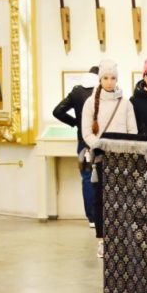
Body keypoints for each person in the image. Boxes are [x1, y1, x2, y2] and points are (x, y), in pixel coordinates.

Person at [81, 59, 137, 258]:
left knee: (122, 200)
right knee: (101, 200)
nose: (109, 82)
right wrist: (102, 145)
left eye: (113, 78)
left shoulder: (126, 103)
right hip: (102, 159)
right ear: (100, 78)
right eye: (106, 77)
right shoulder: (90, 103)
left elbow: (132, 131)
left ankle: (120, 238)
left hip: (122, 159)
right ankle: (103, 240)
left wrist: (124, 148)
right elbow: (86, 132)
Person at [52, 65, 99, 227]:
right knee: (104, 177)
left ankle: (91, 218)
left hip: (83, 142)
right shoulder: (103, 91)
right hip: (102, 141)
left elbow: (57, 111)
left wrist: (75, 123)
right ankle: (103, 216)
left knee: (86, 178)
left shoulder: (77, 92)